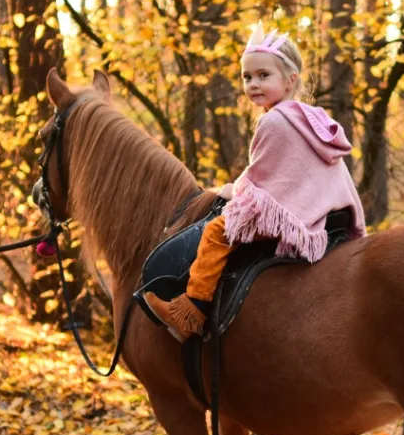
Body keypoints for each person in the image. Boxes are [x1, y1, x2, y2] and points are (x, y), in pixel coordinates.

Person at [144, 23, 366, 340]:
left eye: (264, 76)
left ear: (291, 80)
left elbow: (260, 183)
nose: (253, 84)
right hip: (328, 214)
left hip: (298, 218)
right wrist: (237, 186)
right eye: (247, 77)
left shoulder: (275, 120)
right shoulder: (309, 117)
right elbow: (275, 174)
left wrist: (233, 193)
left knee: (216, 232)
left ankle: (190, 312)